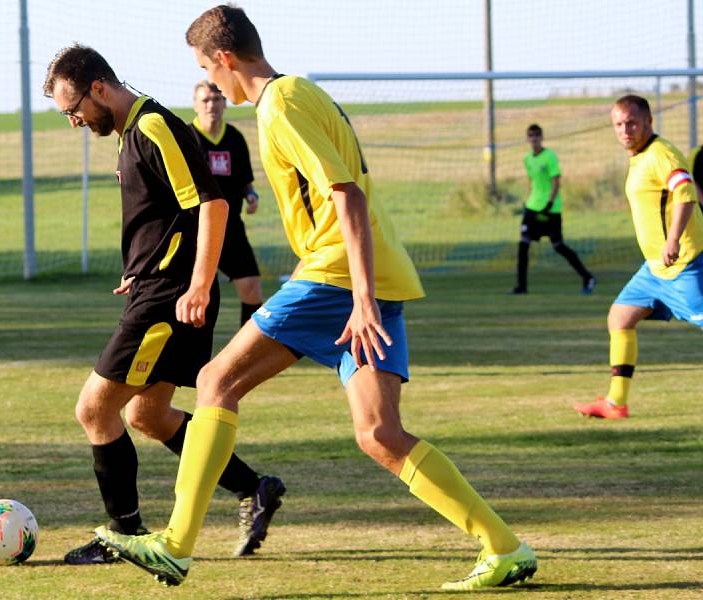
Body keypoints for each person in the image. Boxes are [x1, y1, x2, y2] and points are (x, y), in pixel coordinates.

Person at [95, 5, 537, 591]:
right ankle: (505, 547)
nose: (211, 82)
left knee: (214, 382)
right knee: (379, 434)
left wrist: (359, 297)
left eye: (207, 67)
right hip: (365, 274)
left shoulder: (280, 104)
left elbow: (346, 195)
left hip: (339, 277)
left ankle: (175, 544)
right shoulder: (303, 93)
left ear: (225, 59)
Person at [41, 44, 285, 563]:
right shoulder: (133, 132)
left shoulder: (152, 126)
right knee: (148, 416)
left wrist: (195, 283)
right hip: (156, 288)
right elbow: (167, 215)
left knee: (94, 408)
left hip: (170, 300)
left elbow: (212, 204)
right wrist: (141, 267)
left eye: (73, 109)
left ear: (99, 88)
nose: (74, 121)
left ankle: (121, 534)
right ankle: (254, 487)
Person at [574, 95, 703, 419]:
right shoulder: (639, 156)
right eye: (618, 124)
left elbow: (686, 193)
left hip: (684, 265)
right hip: (653, 271)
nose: (625, 129)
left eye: (631, 122)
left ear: (648, 121)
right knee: (619, 318)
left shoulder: (661, 153)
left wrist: (673, 239)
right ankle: (616, 403)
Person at [189, 81, 263, 327]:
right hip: (194, 230)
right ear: (195, 105)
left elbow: (245, 182)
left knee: (252, 287)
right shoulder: (186, 138)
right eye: (206, 100)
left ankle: (249, 352)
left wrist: (251, 196)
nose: (212, 105)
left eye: (217, 99)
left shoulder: (235, 138)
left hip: (230, 228)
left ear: (225, 103)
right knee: (193, 295)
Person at [512, 124, 596, 295]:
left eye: (537, 135)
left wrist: (549, 204)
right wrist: (528, 201)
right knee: (523, 246)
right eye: (531, 136)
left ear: (541, 137)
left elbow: (556, 181)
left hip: (550, 210)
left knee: (558, 246)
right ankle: (521, 287)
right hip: (532, 209)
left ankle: (588, 277)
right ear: (527, 139)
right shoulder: (527, 159)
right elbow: (531, 181)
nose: (534, 139)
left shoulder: (550, 157)